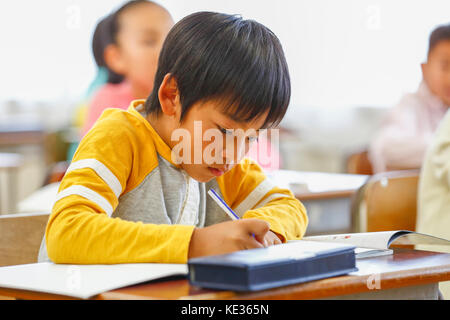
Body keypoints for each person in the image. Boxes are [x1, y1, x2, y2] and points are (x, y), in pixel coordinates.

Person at [38, 12, 308, 264]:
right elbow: (65, 231)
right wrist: (195, 245)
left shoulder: (220, 161)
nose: (234, 154)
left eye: (251, 138)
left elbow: (289, 206)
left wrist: (267, 232)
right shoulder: (119, 137)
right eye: (225, 131)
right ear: (172, 96)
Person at [81, 0, 174, 137]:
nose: (168, 48)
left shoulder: (183, 98)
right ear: (116, 58)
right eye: (149, 41)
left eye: (172, 39)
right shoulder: (108, 102)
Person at [369, 23, 450, 173]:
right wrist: (444, 148)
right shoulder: (410, 105)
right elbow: (386, 147)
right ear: (424, 69)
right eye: (445, 66)